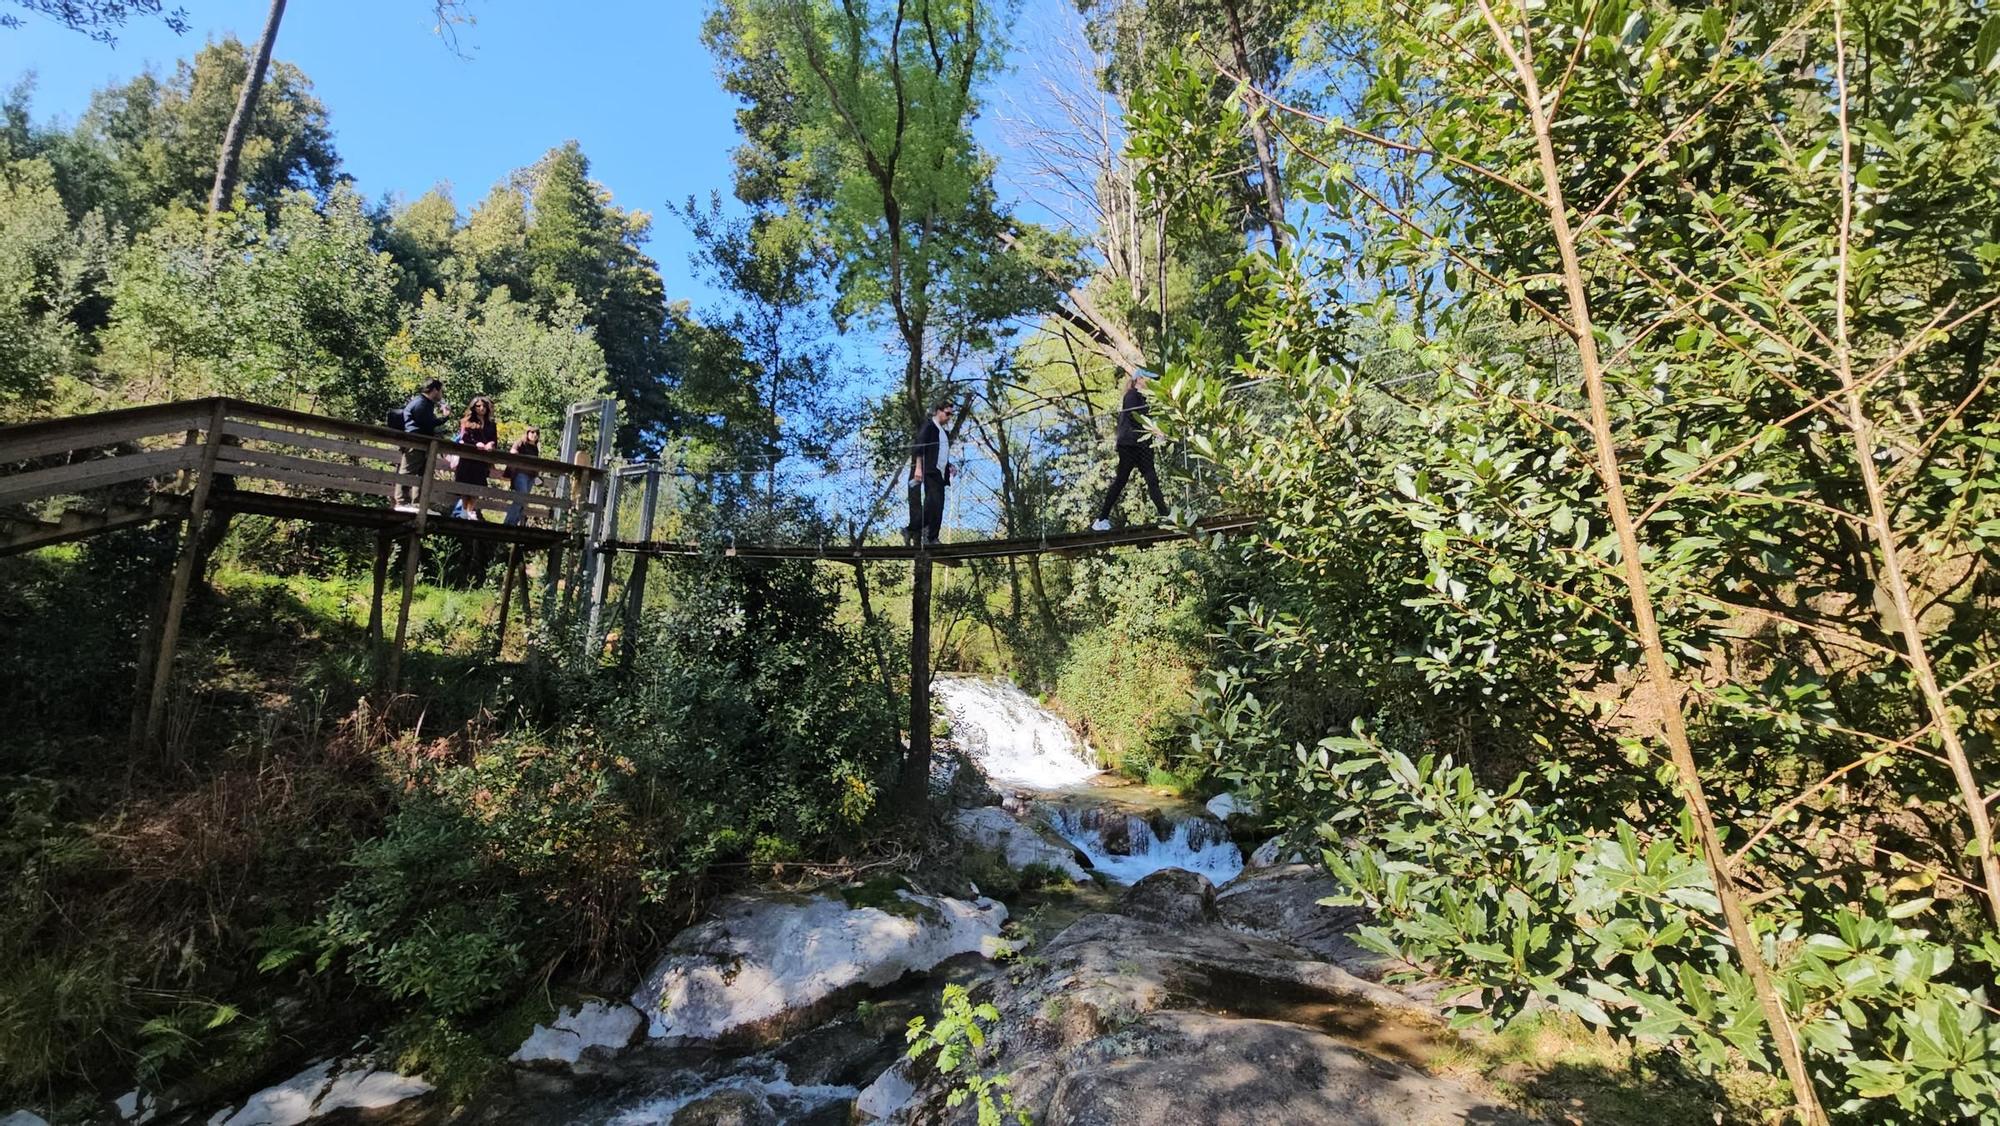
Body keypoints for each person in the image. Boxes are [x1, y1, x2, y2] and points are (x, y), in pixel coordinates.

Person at [1091, 367, 1168, 531]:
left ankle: (1166, 516)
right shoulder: (1132, 395)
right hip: (1130, 445)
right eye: (1149, 379)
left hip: (1143, 446)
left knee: (1152, 480)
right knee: (1120, 481)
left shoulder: (1145, 398)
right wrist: (1155, 430)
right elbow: (1135, 415)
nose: (1152, 382)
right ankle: (1101, 519)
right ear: (1139, 379)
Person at [394, 379, 446, 511]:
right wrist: (444, 417)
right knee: (407, 471)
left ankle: (418, 504)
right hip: (415, 442)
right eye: (441, 391)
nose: (441, 394)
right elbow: (427, 423)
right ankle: (401, 502)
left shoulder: (426, 403)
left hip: (423, 443)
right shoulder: (421, 403)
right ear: (434, 390)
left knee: (423, 473)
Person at [909, 401, 955, 546]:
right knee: (932, 504)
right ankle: (925, 535)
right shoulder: (929, 427)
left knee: (938, 506)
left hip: (941, 474)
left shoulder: (944, 433)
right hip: (930, 470)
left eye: (951, 415)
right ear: (938, 411)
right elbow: (919, 447)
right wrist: (918, 468)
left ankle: (927, 536)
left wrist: (949, 466)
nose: (949, 417)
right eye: (947, 413)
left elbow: (941, 454)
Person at [452, 396, 499, 520]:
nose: (481, 408)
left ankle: (471, 510)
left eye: (483, 406)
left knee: (477, 485)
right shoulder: (467, 421)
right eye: (478, 406)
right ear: (474, 407)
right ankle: (463, 510)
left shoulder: (491, 424)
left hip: (482, 460)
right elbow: (464, 437)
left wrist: (491, 444)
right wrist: (476, 444)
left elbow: (494, 439)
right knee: (465, 484)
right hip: (468, 458)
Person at [502, 425, 542, 527]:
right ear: (527, 433)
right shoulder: (521, 442)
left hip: (531, 476)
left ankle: (514, 523)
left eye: (537, 433)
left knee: (524, 500)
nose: (534, 435)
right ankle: (508, 523)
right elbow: (513, 452)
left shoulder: (535, 448)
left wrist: (537, 475)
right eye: (532, 432)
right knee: (520, 497)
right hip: (520, 474)